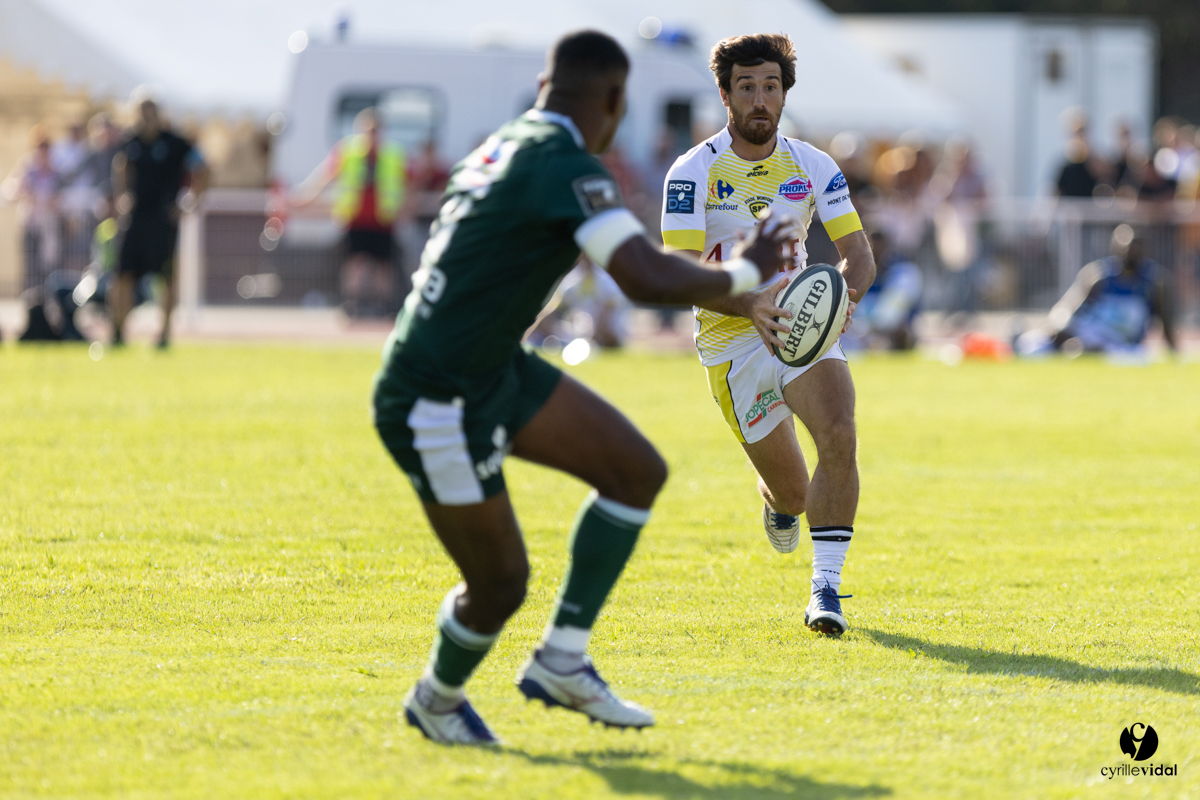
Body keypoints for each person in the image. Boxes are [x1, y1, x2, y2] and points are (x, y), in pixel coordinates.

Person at [373, 30, 794, 745]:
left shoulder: (506, 143)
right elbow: (644, 277)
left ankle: (562, 659)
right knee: (501, 584)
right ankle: (436, 699)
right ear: (612, 100)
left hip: (485, 365)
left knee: (634, 471)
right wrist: (747, 273)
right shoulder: (562, 162)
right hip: (437, 391)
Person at [660, 33, 874, 637]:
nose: (760, 98)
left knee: (838, 433)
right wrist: (747, 302)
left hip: (802, 329)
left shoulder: (813, 165)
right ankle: (777, 503)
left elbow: (857, 254)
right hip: (730, 342)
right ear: (725, 94)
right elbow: (676, 273)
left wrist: (844, 297)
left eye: (771, 87)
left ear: (785, 94)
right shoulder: (692, 171)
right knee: (794, 494)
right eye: (747, 86)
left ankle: (826, 590)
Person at [109, 95, 207, 347]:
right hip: (135, 218)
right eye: (143, 111)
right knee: (122, 275)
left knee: (166, 277)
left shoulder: (174, 142)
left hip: (163, 220)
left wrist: (190, 202)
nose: (147, 117)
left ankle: (164, 334)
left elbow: (203, 167)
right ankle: (118, 331)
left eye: (151, 111)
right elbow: (120, 168)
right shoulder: (130, 142)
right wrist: (122, 198)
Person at [293, 108, 405, 318]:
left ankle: (382, 305)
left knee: (383, 266)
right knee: (355, 264)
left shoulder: (392, 154)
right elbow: (326, 176)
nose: (372, 135)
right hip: (355, 219)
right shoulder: (348, 152)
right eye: (368, 130)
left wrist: (407, 208)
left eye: (375, 130)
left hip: (383, 220)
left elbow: (407, 184)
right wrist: (304, 197)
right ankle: (353, 304)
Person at [1018, 225, 1176, 356]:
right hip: (1097, 330)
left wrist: (1174, 350)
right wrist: (1055, 327)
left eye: (1135, 250)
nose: (1130, 254)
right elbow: (1070, 308)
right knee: (1050, 339)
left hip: (1123, 343)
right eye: (1126, 250)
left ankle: (1079, 349)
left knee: (1090, 349)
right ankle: (1025, 340)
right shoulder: (1099, 275)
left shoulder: (1154, 283)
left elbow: (1165, 318)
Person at [842, 229, 922, 351]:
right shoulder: (853, 272)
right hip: (860, 335)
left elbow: (890, 317)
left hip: (890, 334)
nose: (876, 251)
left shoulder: (904, 273)